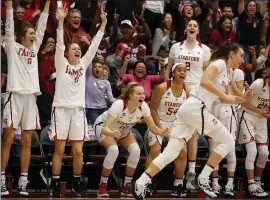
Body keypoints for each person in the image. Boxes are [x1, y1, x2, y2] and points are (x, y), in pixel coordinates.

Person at [131, 43, 248, 199]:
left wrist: (239, 99)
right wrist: (226, 96)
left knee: (171, 153)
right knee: (228, 142)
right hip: (196, 108)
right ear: (232, 54)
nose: (242, 59)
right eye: (241, 55)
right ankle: (204, 177)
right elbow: (204, 82)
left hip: (189, 110)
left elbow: (221, 98)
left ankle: (141, 182)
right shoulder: (219, 63)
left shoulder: (227, 73)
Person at [48, 4, 106, 197]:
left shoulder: (83, 63)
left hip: (78, 111)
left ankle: (76, 182)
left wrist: (104, 24)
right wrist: (61, 20)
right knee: (59, 149)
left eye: (78, 49)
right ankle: (55, 184)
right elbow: (58, 42)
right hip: (62, 109)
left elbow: (95, 44)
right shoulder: (61, 62)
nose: (77, 50)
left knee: (78, 152)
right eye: (73, 48)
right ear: (66, 53)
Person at [1, 0, 50, 197]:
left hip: (30, 98)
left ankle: (23, 179)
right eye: (30, 34)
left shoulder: (34, 48)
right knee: (8, 138)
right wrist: (10, 5)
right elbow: (10, 23)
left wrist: (47, 3)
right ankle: (1, 178)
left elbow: (43, 25)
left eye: (33, 34)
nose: (33, 36)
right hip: (14, 96)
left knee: (27, 141)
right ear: (22, 36)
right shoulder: (11, 46)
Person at [94, 83, 170, 198]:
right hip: (104, 128)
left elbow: (153, 128)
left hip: (122, 130)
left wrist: (162, 132)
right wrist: (112, 133)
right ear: (130, 96)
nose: (143, 96)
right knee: (113, 150)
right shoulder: (119, 105)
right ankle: (102, 185)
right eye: (139, 93)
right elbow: (105, 129)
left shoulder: (144, 107)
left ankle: (126, 185)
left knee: (135, 150)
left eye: (143, 93)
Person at [165, 19, 211, 191]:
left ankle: (190, 173)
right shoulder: (176, 46)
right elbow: (168, 70)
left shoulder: (205, 50)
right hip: (176, 89)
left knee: (191, 133)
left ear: (198, 30)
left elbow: (208, 75)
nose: (192, 27)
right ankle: (176, 173)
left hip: (196, 92)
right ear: (185, 29)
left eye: (195, 25)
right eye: (189, 25)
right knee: (176, 129)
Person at [146, 63, 190, 197]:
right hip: (158, 122)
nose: (182, 73)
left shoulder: (187, 91)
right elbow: (152, 109)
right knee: (155, 149)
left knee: (183, 151)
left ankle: (178, 184)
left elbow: (187, 113)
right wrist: (159, 127)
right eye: (179, 70)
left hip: (175, 125)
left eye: (184, 70)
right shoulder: (162, 87)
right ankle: (147, 182)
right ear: (173, 73)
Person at [208, 67, 244, 197]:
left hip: (228, 109)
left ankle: (229, 184)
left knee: (230, 148)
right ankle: (215, 183)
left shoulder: (237, 72)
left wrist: (231, 79)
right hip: (213, 108)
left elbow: (239, 95)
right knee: (213, 148)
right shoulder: (214, 69)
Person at [238, 72, 270, 197]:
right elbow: (242, 102)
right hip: (247, 115)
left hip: (261, 119)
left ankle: (257, 182)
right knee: (252, 151)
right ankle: (251, 185)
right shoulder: (258, 84)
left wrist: (267, 113)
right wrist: (259, 111)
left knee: (264, 153)